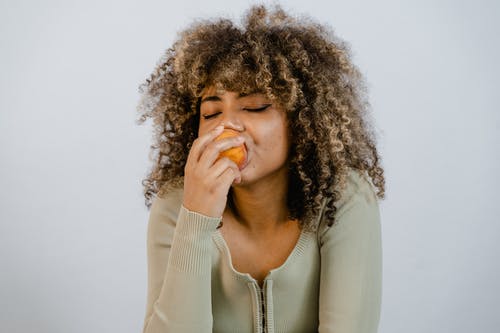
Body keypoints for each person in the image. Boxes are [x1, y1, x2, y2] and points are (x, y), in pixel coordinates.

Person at [136, 3, 386, 333]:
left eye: (254, 107)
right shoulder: (176, 206)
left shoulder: (343, 198)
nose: (226, 126)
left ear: (301, 120)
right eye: (210, 114)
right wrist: (196, 220)